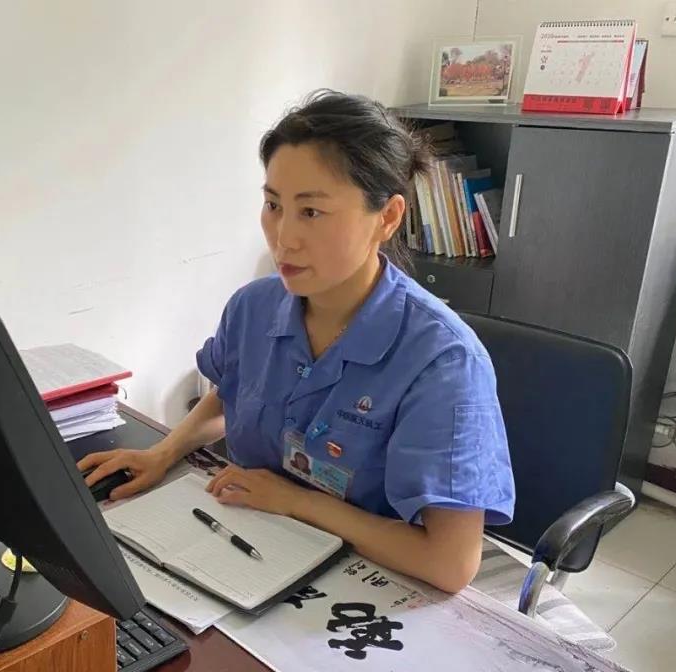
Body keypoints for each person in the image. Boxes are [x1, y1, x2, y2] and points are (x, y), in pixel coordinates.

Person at [78, 90, 514, 593]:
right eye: (273, 205)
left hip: (368, 581)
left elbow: (450, 563)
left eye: (311, 212)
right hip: (248, 546)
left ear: (388, 217)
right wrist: (164, 452)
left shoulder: (442, 360)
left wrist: (298, 502)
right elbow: (229, 394)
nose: (283, 237)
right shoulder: (254, 306)